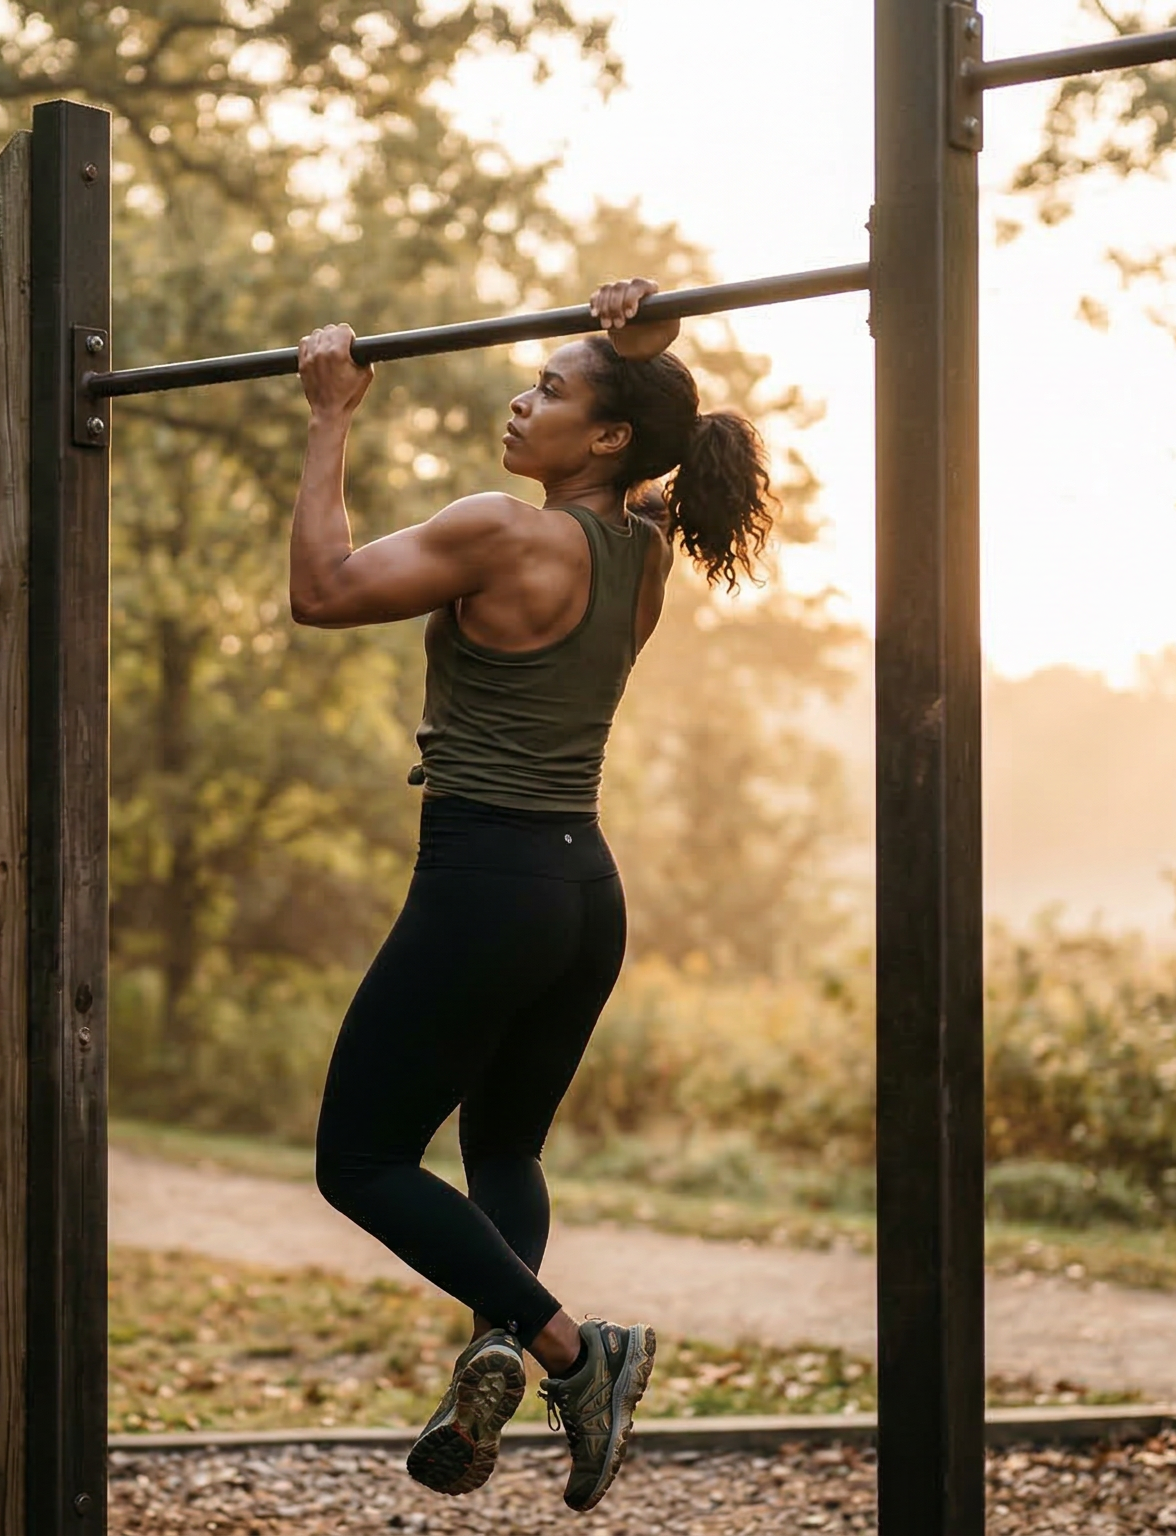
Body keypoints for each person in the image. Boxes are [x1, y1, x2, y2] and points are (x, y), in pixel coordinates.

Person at [288, 276, 780, 1513]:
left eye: (553, 390)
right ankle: (498, 1341)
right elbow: (674, 454)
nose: (522, 398)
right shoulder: (643, 543)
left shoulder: (504, 533)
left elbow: (323, 590)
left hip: (486, 880)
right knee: (499, 1143)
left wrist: (330, 415)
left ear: (606, 438)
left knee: (358, 1158)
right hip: (582, 895)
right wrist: (652, 350)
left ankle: (567, 1348)